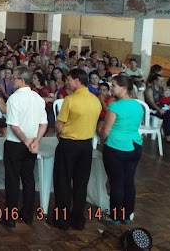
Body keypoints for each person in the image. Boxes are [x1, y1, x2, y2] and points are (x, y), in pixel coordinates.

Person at [48, 69, 101, 231]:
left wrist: (60, 133)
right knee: (81, 183)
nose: (67, 82)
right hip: (86, 145)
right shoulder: (96, 100)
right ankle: (78, 220)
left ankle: (62, 220)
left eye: (69, 79)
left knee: (63, 181)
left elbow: (59, 125)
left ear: (77, 81)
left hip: (68, 144)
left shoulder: (70, 100)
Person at [0, 67, 47, 227]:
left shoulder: (13, 99)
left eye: (14, 78)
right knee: (28, 178)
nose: (11, 81)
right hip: (31, 143)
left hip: (16, 143)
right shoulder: (37, 98)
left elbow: (14, 126)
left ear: (22, 80)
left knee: (12, 179)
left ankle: (10, 217)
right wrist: (35, 141)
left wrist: (26, 141)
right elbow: (44, 124)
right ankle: (27, 214)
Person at [98, 75, 143, 225]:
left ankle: (115, 216)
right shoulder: (138, 105)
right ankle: (127, 214)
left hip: (117, 146)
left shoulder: (116, 106)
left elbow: (105, 130)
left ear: (123, 88)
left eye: (114, 85)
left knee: (116, 182)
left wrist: (102, 139)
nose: (111, 88)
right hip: (135, 144)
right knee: (129, 181)